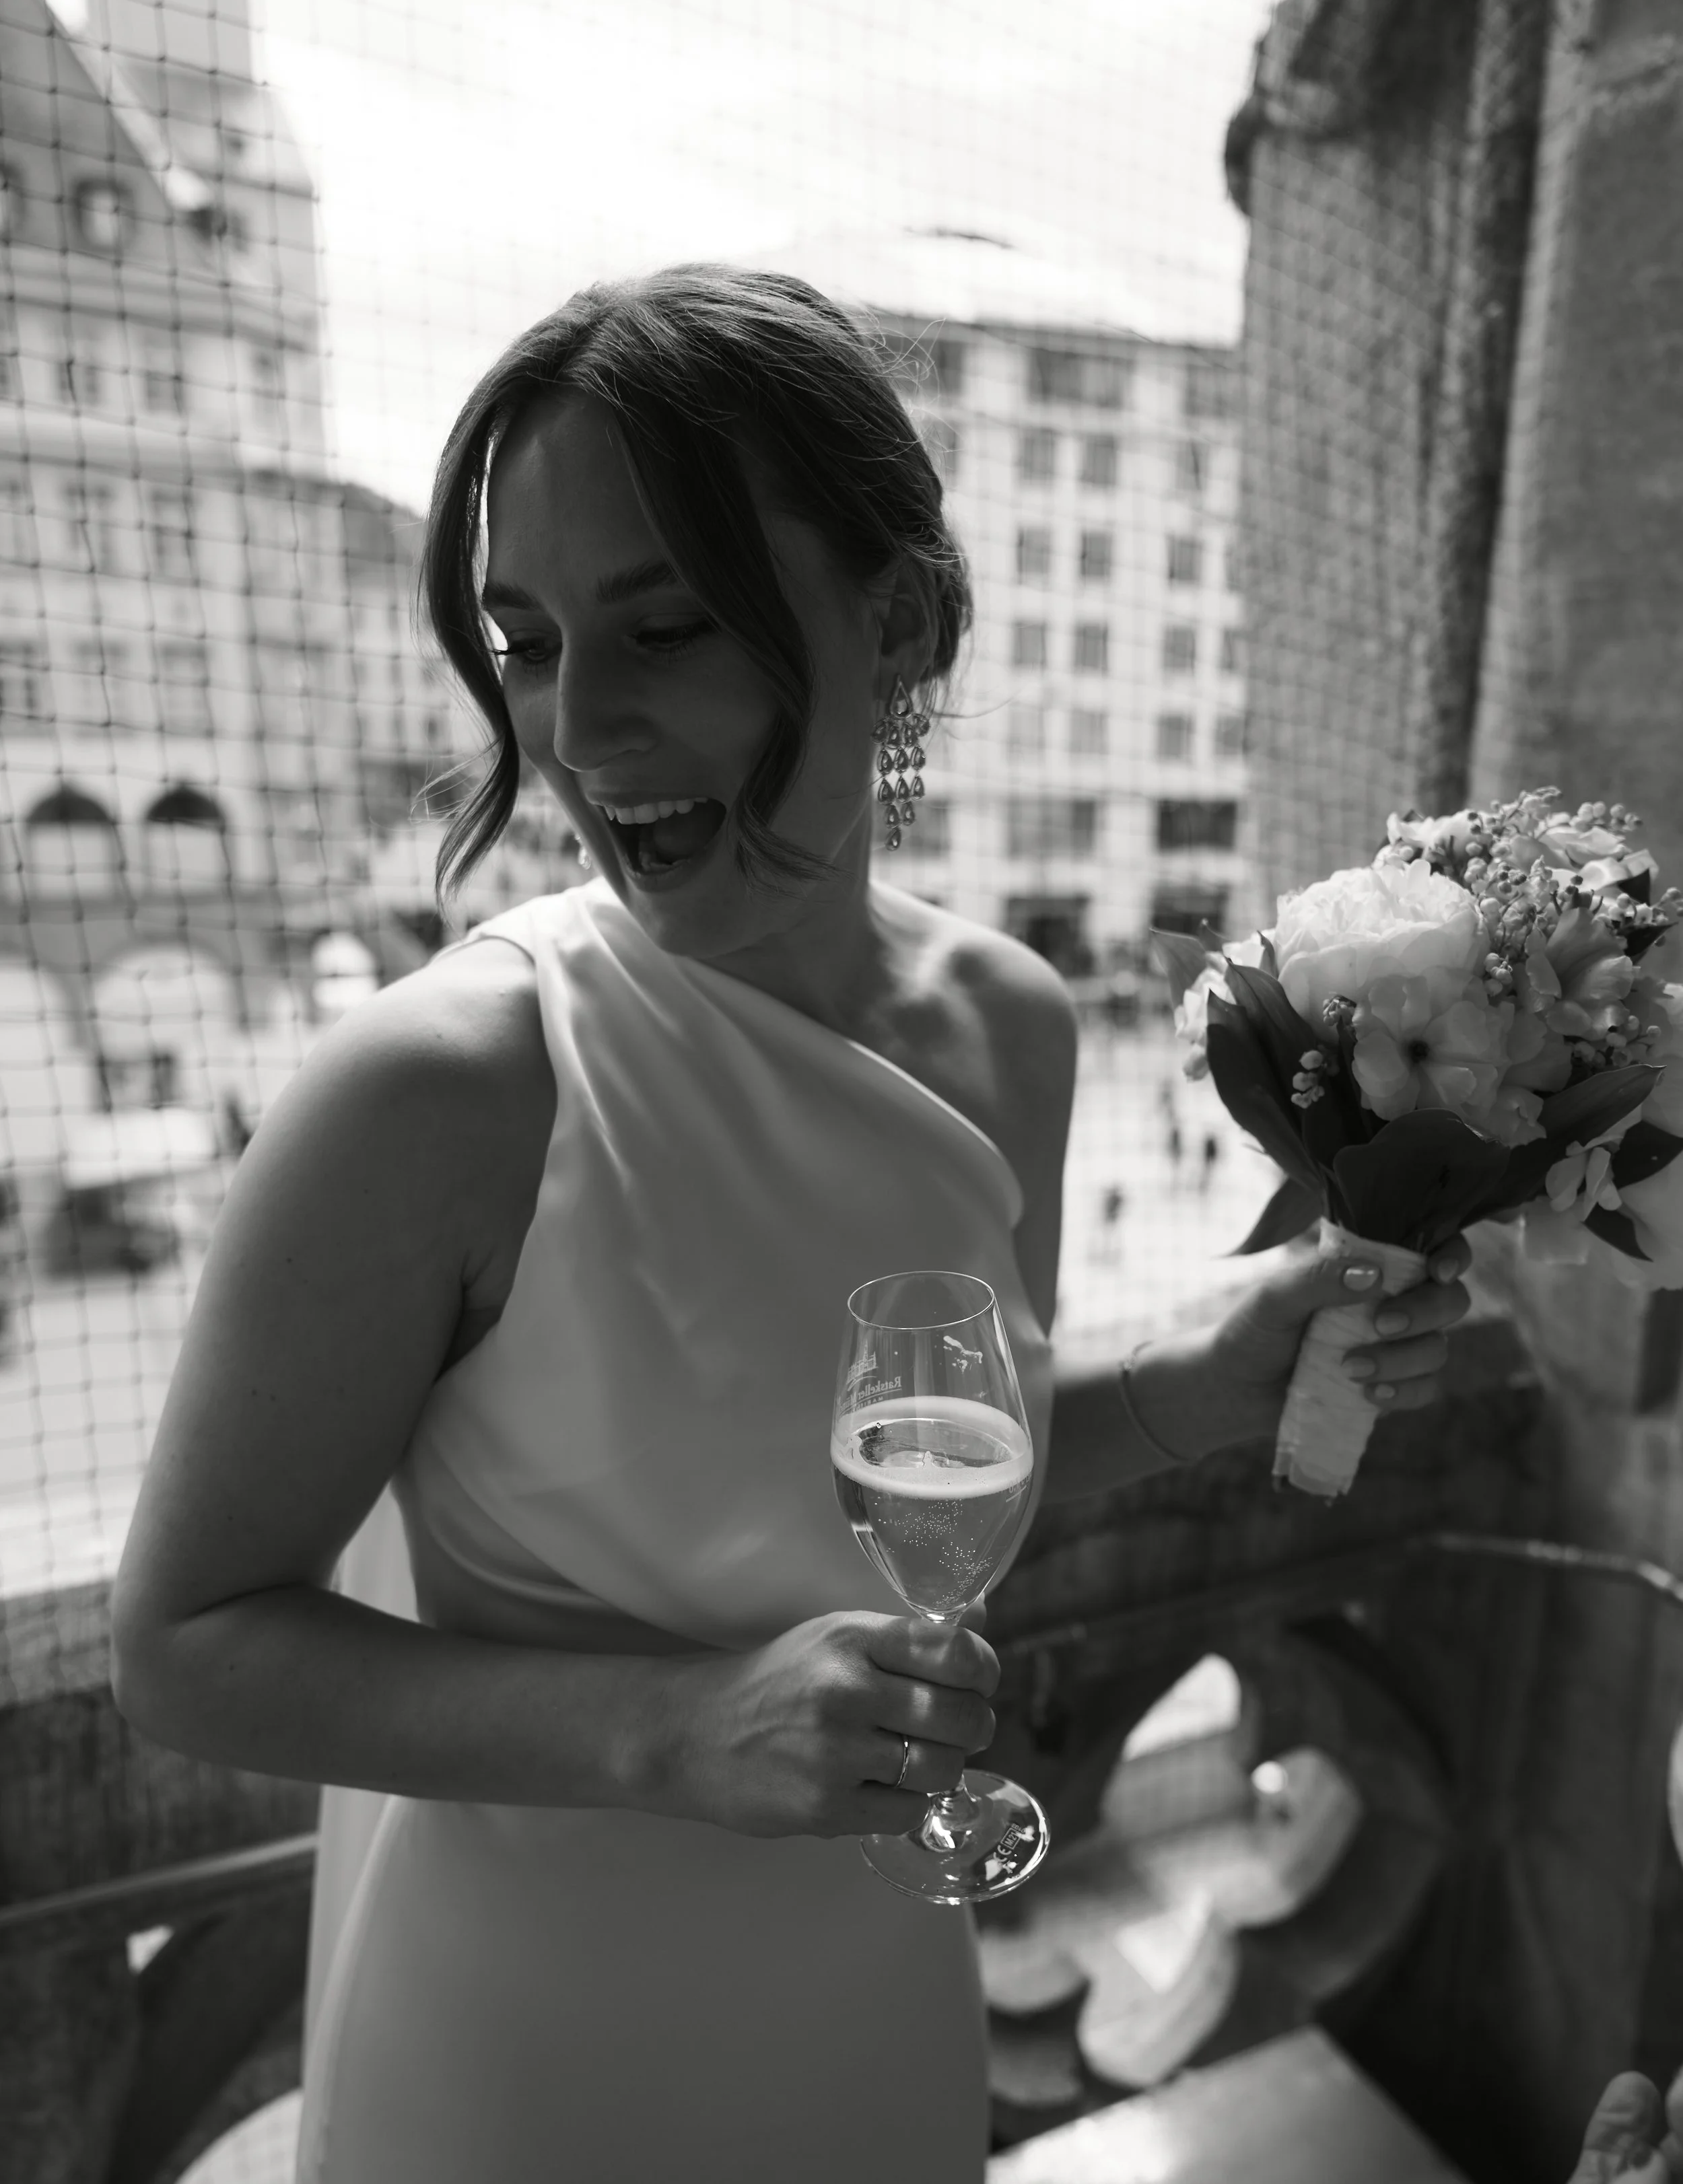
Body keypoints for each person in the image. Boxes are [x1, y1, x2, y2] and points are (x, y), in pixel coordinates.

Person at [106, 268, 1474, 2184]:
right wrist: (678, 1730)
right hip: (524, 2037)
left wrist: (1190, 1372)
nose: (581, 727)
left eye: (663, 626)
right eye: (525, 642)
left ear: (894, 618)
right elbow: (183, 1643)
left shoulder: (1003, 1021)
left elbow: (900, 1492)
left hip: (864, 1964)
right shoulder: (430, 1091)